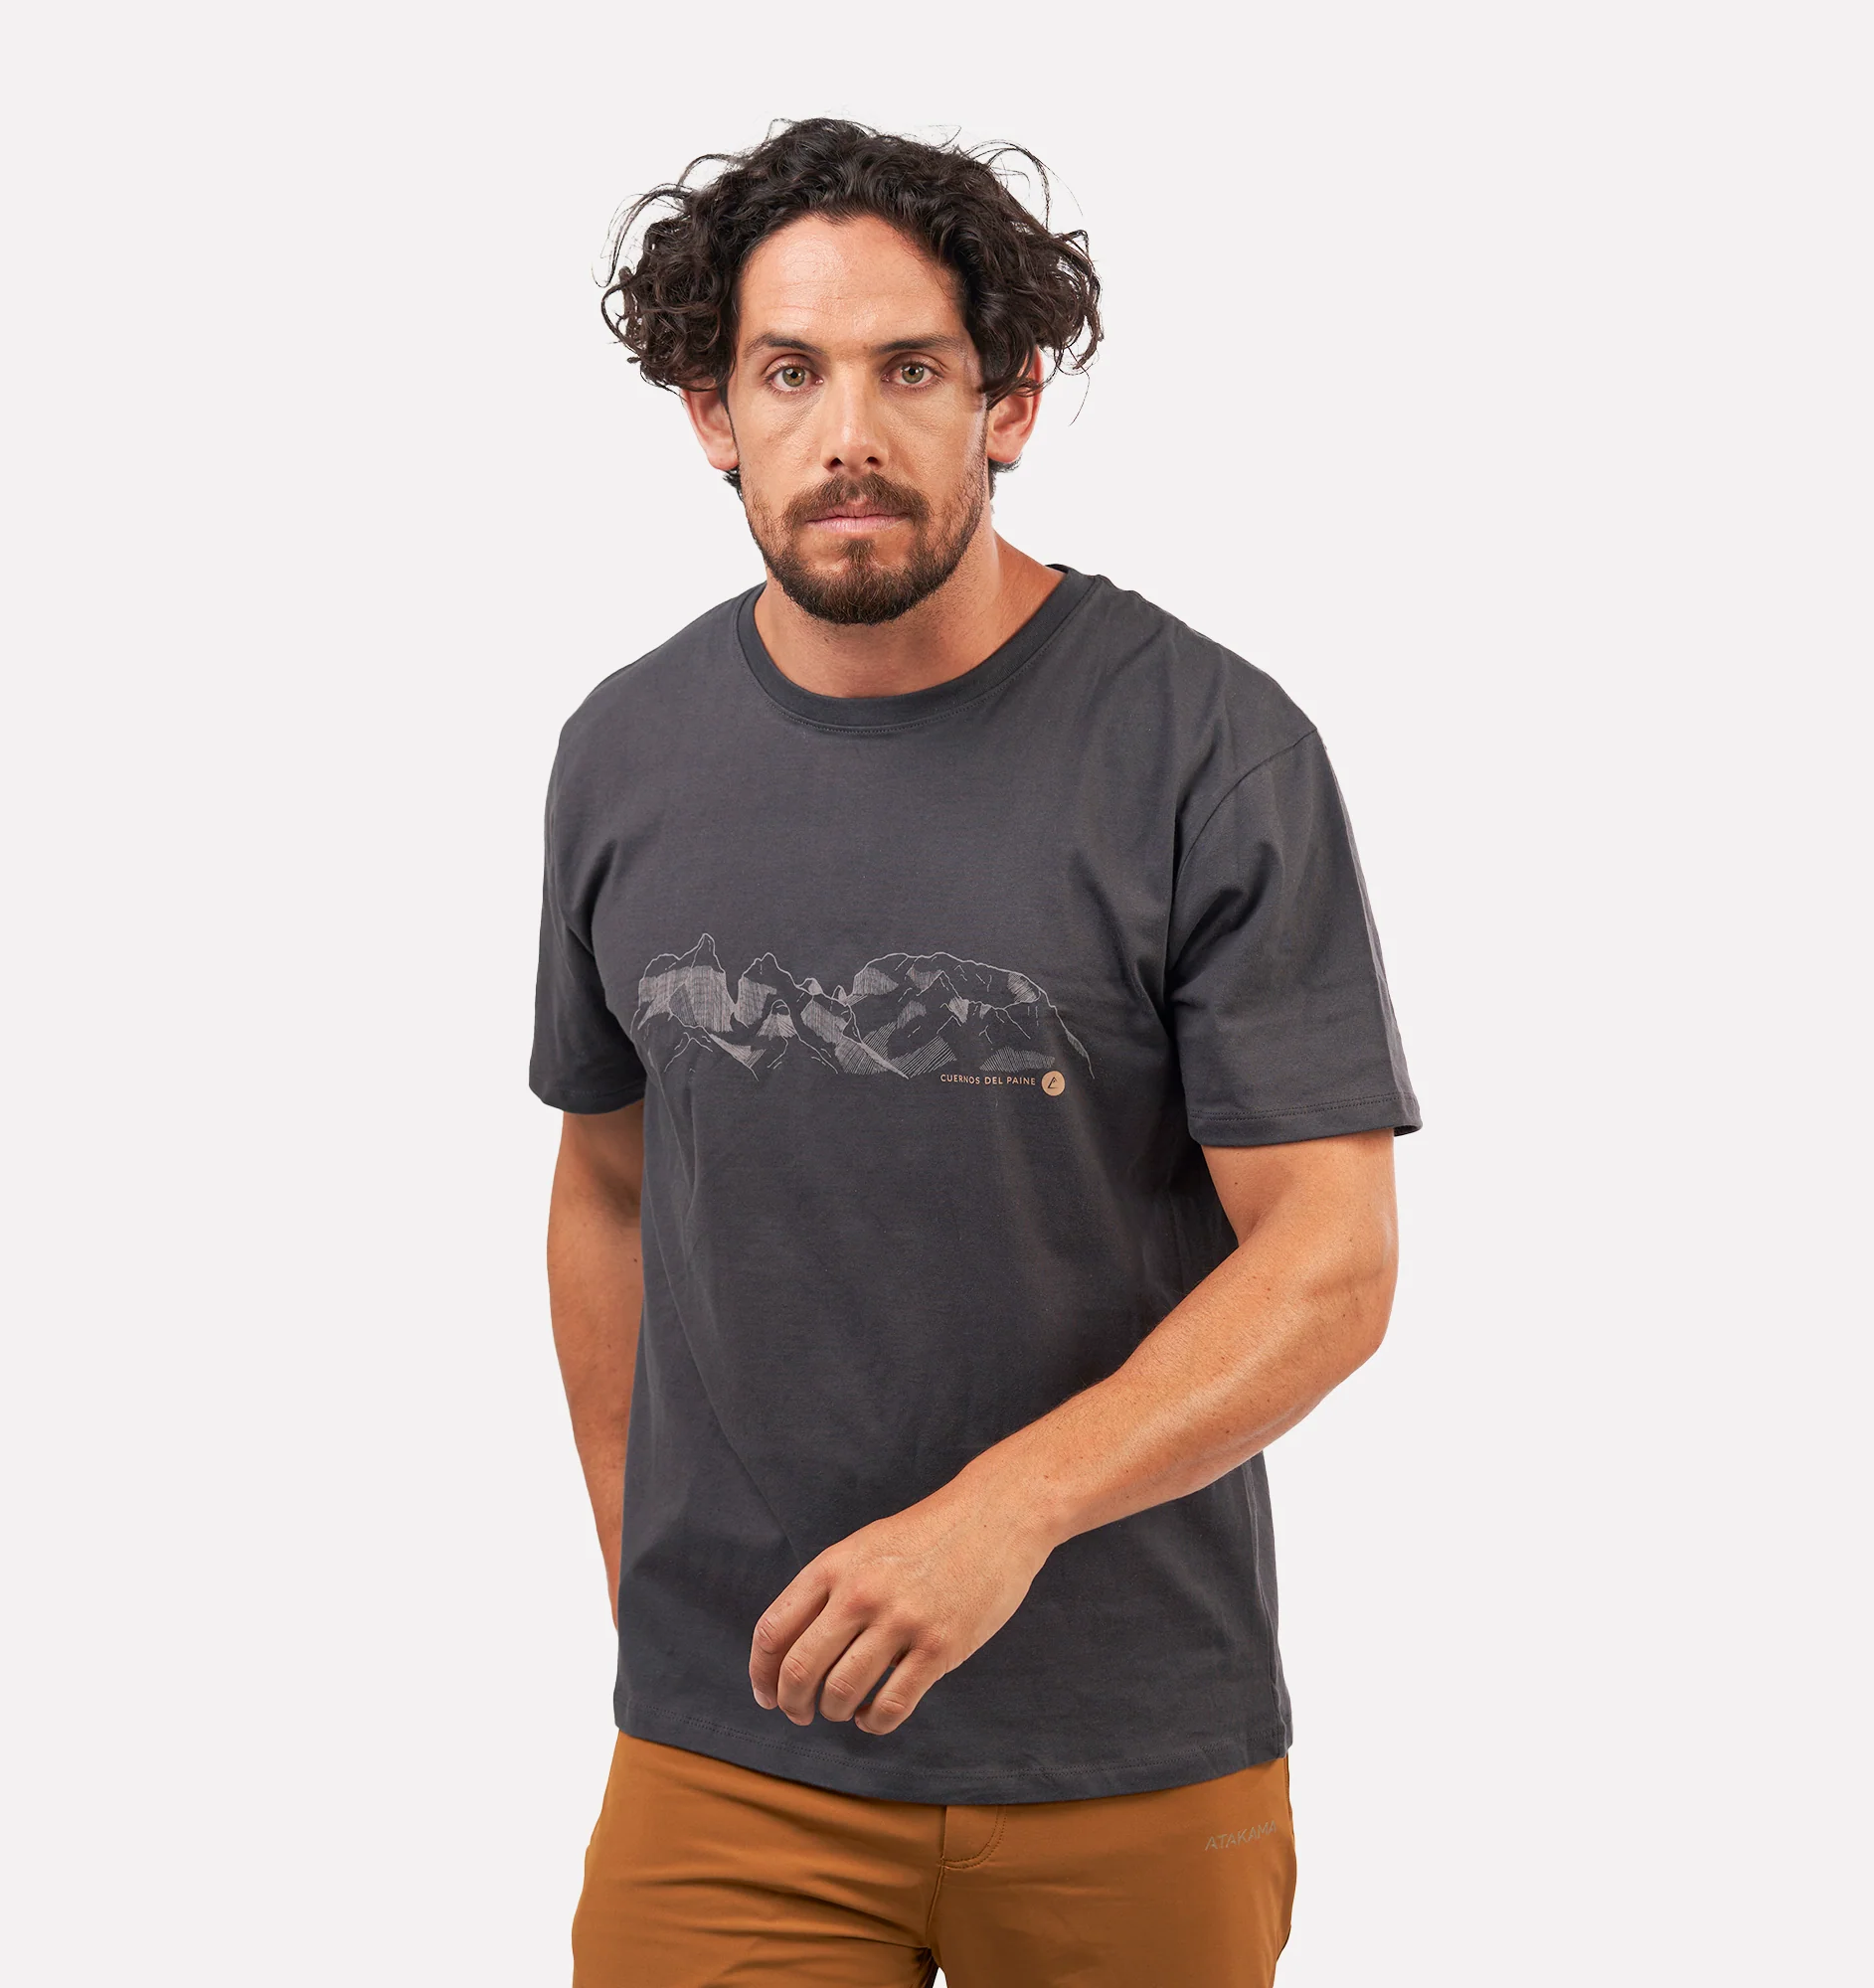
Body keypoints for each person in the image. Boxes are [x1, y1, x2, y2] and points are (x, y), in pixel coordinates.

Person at [530, 117, 1420, 1986]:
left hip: (1127, 1756)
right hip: (728, 1759)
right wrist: (644, 1575)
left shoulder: (1208, 750)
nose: (848, 431)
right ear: (712, 415)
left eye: (911, 370)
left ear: (1006, 404)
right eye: (791, 372)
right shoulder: (623, 752)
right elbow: (606, 1183)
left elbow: (1331, 1263)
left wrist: (1000, 1519)